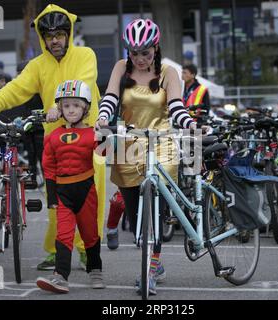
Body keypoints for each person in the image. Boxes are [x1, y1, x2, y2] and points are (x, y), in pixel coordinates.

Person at [0, 4, 106, 273]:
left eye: (59, 34)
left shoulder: (85, 55)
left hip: (89, 136)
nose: (54, 40)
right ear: (43, 38)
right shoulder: (37, 65)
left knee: (91, 197)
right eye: (49, 35)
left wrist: (58, 103)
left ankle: (88, 250)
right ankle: (57, 251)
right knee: (55, 196)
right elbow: (15, 89)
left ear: (68, 33)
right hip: (56, 140)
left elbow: (84, 82)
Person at [96, 18, 196, 295]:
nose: (139, 58)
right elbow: (110, 98)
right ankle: (155, 261)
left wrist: (187, 123)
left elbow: (176, 105)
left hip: (161, 143)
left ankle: (150, 271)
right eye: (133, 52)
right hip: (127, 143)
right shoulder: (120, 67)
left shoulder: (169, 72)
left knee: (156, 213)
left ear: (156, 47)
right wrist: (102, 118)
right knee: (135, 214)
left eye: (145, 52)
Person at [36, 80, 104, 293]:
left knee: (90, 233)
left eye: (76, 105)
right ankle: (60, 276)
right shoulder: (52, 136)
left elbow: (106, 155)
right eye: (66, 106)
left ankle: (95, 270)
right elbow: (48, 167)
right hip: (62, 192)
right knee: (63, 234)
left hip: (86, 190)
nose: (71, 109)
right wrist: (51, 197)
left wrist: (105, 133)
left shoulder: (93, 132)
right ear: (59, 109)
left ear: (86, 108)